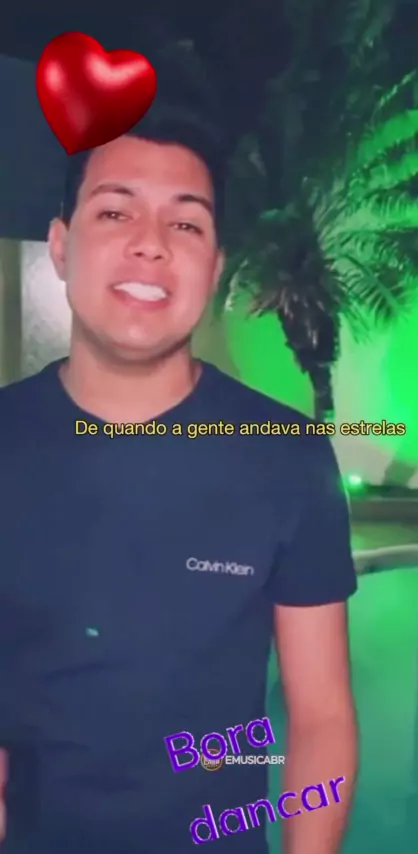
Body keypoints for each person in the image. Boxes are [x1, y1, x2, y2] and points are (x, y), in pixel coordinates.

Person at [0, 103, 358, 854]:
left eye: (186, 223)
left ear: (215, 265)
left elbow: (321, 717)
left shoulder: (286, 457)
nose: (150, 243)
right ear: (61, 247)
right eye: (115, 212)